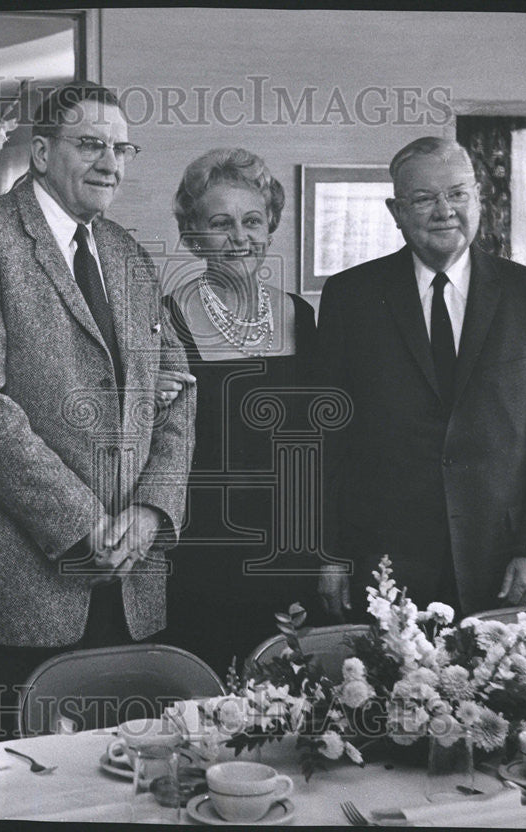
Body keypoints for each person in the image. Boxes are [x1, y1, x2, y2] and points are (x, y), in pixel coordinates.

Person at [0, 83, 195, 736]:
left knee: (119, 782)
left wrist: (153, 508)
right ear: (40, 152)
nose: (111, 163)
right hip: (14, 586)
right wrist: (83, 522)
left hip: (127, 583)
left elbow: (181, 386)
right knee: (16, 788)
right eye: (90, 144)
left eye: (121, 148)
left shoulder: (126, 252)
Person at [317, 136, 526, 621]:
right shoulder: (349, 297)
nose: (444, 211)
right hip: (384, 561)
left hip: (499, 560)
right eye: (423, 198)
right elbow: (331, 438)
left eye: (457, 194)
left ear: (479, 197)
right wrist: (331, 553)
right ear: (395, 210)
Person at [159, 148, 318, 673]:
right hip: (207, 552)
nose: (240, 237)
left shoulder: (303, 314)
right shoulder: (165, 321)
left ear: (270, 226)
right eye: (220, 223)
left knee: (298, 698)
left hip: (294, 549)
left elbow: (328, 443)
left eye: (252, 221)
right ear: (191, 235)